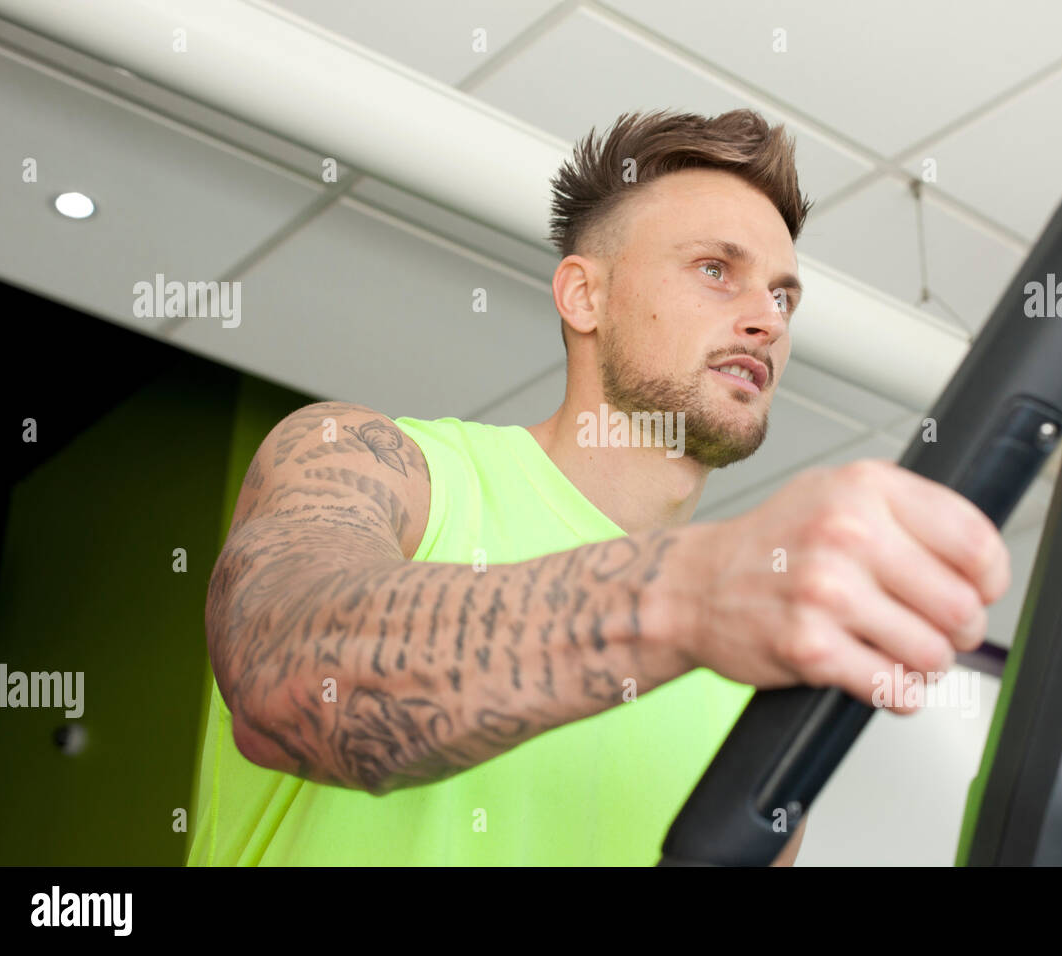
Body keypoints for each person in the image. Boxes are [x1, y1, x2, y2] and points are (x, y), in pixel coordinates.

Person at [187, 108, 1011, 866]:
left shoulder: (752, 681)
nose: (768, 318)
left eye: (783, 294)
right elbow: (282, 674)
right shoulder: (382, 463)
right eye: (716, 270)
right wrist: (691, 594)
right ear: (586, 295)